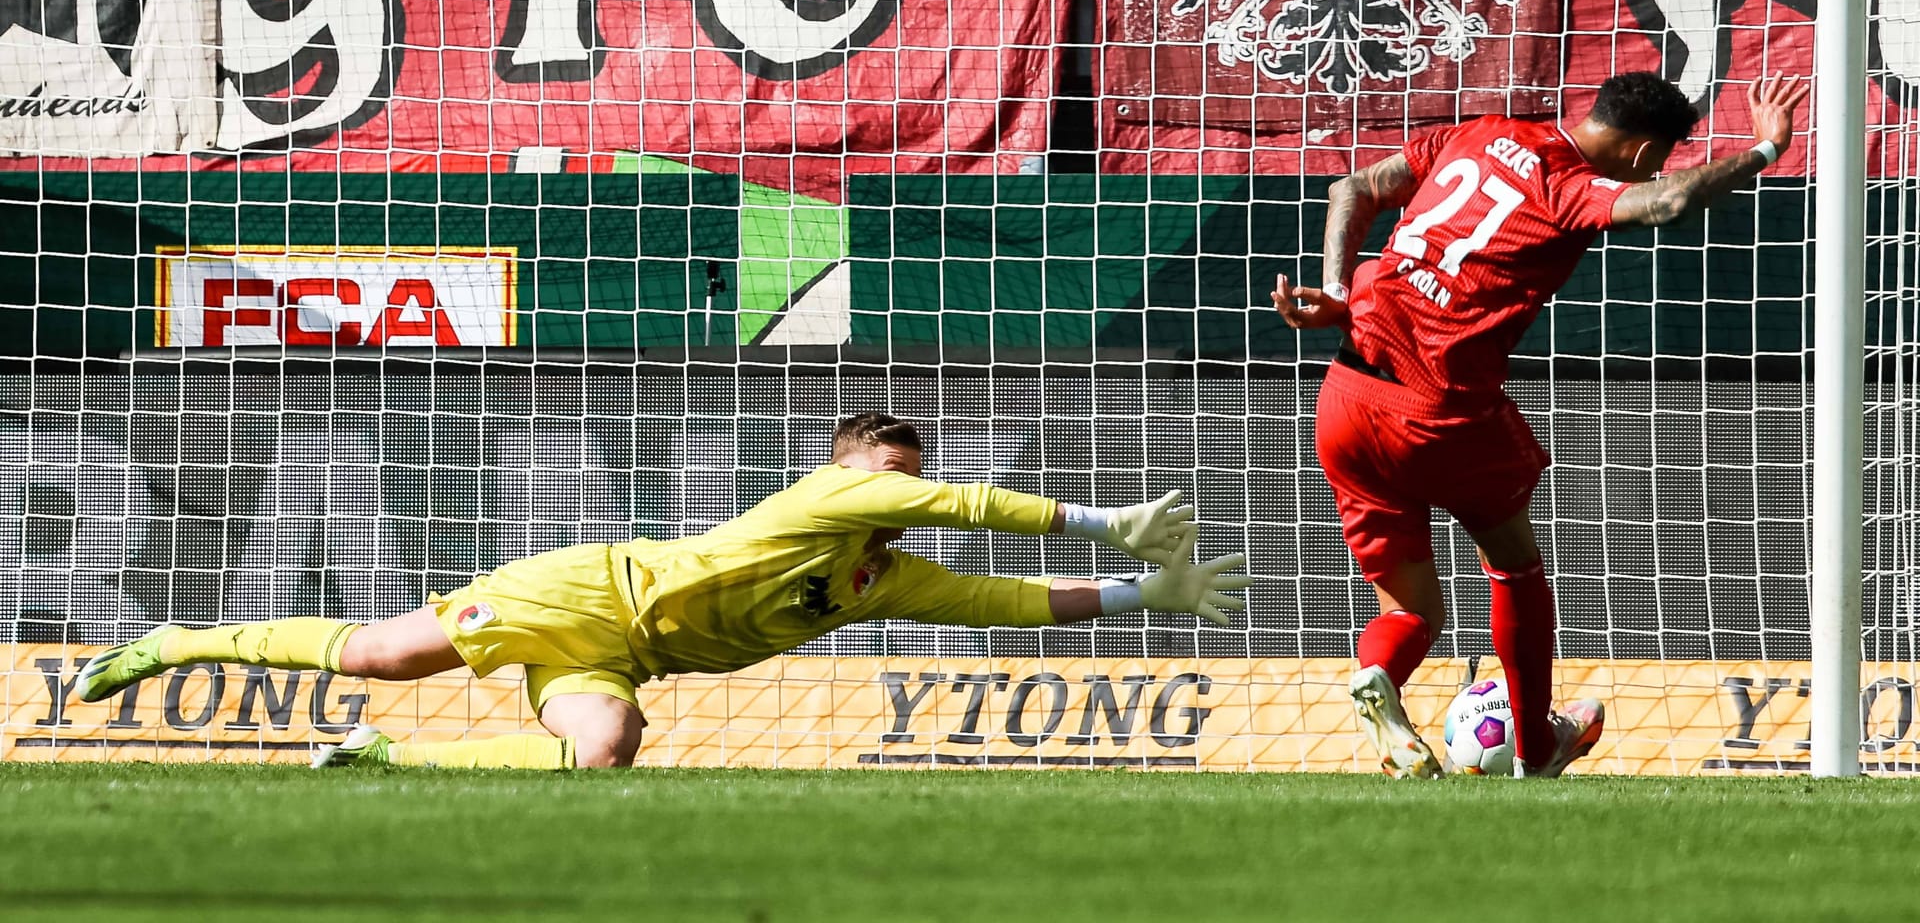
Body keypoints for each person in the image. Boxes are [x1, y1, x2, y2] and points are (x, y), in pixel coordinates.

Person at [76, 413, 1249, 769]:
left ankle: (389, 762)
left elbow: (1008, 607)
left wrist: (1143, 594)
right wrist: (1101, 519)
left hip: (623, 653)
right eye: (886, 472)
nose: (901, 490)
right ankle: (184, 638)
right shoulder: (824, 499)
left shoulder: (875, 574)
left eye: (908, 475)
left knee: (607, 747)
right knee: (382, 656)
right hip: (578, 594)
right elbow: (970, 510)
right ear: (847, 471)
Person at [1273, 73, 1811, 778]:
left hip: (1347, 393)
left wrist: (1340, 292)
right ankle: (1534, 747)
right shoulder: (1567, 189)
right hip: (1442, 412)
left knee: (1412, 614)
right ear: (1646, 152)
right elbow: (1672, 199)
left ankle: (1379, 678)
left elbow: (1353, 188)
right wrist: (1767, 149)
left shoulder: (1478, 131)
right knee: (1516, 569)